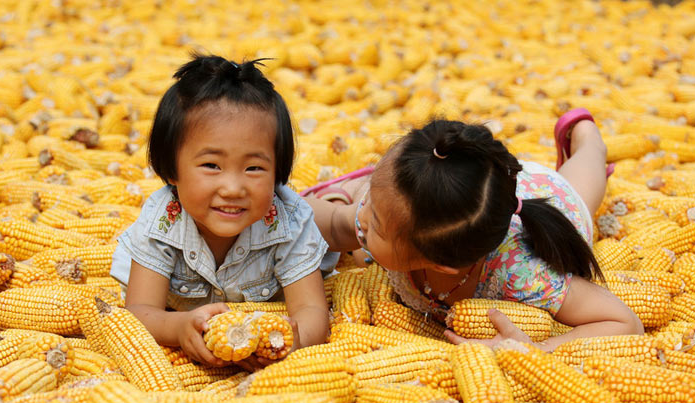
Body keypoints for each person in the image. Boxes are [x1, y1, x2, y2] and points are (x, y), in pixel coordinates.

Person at [304, 109, 643, 351]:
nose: (361, 217)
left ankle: (589, 141)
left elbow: (625, 323)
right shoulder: (393, 222)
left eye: (374, 221)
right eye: (369, 204)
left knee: (582, 186)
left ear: (440, 265)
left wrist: (540, 350)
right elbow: (333, 222)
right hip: (473, 193)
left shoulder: (524, 275)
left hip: (549, 202)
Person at [110, 54, 332, 367]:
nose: (232, 188)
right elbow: (140, 311)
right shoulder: (163, 220)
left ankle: (342, 209)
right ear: (172, 169)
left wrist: (293, 344)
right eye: (211, 165)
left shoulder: (288, 221)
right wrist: (178, 328)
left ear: (277, 171)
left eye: (254, 168)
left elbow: (311, 310)